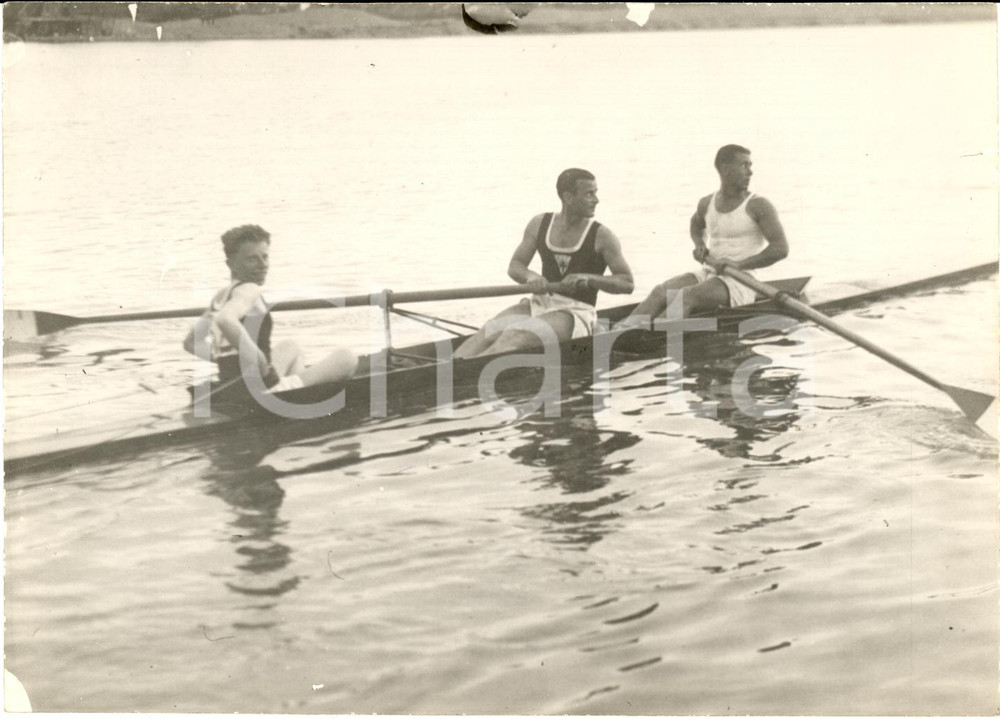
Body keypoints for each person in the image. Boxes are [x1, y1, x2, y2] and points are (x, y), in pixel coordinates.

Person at [453, 168, 634, 359]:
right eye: (589, 194)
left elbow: (627, 283)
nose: (596, 200)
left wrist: (588, 279)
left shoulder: (602, 236)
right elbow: (516, 265)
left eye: (595, 193)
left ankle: (461, 372)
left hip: (575, 313)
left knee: (514, 336)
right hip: (539, 304)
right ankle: (450, 367)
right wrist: (531, 277)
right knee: (488, 331)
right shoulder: (539, 224)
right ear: (568, 197)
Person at [622, 145, 789, 325]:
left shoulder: (759, 205)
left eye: (750, 165)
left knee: (685, 297)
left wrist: (739, 264)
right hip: (709, 273)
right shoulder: (706, 203)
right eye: (744, 165)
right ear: (725, 168)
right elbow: (695, 225)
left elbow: (781, 248)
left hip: (741, 282)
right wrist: (699, 245)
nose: (750, 172)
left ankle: (649, 335)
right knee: (660, 292)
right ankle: (621, 330)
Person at [183, 224, 357, 395]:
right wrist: (260, 364)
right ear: (232, 264)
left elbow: (191, 343)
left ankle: (295, 391)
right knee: (347, 358)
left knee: (291, 347)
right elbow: (225, 319)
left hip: (233, 386)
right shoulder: (250, 289)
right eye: (252, 259)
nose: (262, 265)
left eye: (265, 257)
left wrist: (226, 362)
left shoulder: (221, 296)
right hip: (259, 389)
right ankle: (289, 391)